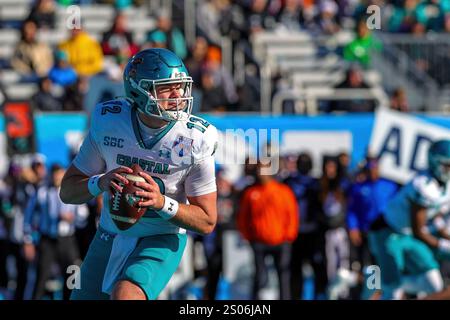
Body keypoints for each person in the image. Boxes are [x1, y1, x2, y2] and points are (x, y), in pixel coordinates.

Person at [60, 48, 219, 300]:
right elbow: (67, 191)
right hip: (110, 233)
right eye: (167, 87)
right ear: (138, 91)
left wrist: (161, 202)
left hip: (161, 236)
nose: (178, 94)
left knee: (126, 295)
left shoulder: (195, 138)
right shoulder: (109, 122)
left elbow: (207, 220)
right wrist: (100, 182)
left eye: (180, 85)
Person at [368, 140, 450, 299]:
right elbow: (419, 231)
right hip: (388, 232)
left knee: (433, 282)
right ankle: (376, 284)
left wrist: (446, 236)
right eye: (446, 165)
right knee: (391, 289)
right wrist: (444, 246)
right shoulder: (424, 185)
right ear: (435, 162)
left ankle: (394, 283)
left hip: (407, 234)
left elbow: (437, 215)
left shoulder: (443, 186)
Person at [236, 160, 299, 300]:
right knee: (260, 276)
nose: (260, 172)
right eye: (259, 168)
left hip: (281, 242)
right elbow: (243, 218)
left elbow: (292, 215)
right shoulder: (251, 193)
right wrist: (248, 236)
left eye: (264, 168)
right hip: (258, 242)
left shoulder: (283, 191)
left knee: (283, 275)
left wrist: (289, 236)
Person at [24, 164, 83, 300]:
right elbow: (29, 216)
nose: (57, 177)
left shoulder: (72, 191)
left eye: (59, 174)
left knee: (73, 274)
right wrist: (28, 239)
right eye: (54, 174)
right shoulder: (42, 192)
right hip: (48, 240)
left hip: (67, 239)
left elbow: (82, 217)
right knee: (41, 275)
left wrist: (73, 218)